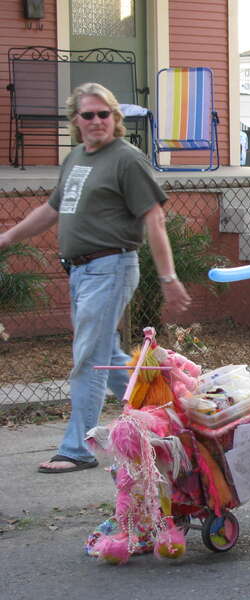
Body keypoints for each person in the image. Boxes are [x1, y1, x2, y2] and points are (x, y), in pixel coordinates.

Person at [0, 83, 191, 474]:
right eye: (88, 115)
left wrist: (168, 278)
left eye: (104, 114)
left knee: (87, 360)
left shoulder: (127, 159)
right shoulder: (77, 159)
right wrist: (6, 238)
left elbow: (154, 219)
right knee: (110, 357)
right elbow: (51, 210)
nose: (97, 121)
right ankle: (166, 417)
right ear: (76, 121)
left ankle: (78, 448)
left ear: (115, 119)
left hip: (111, 268)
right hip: (81, 272)